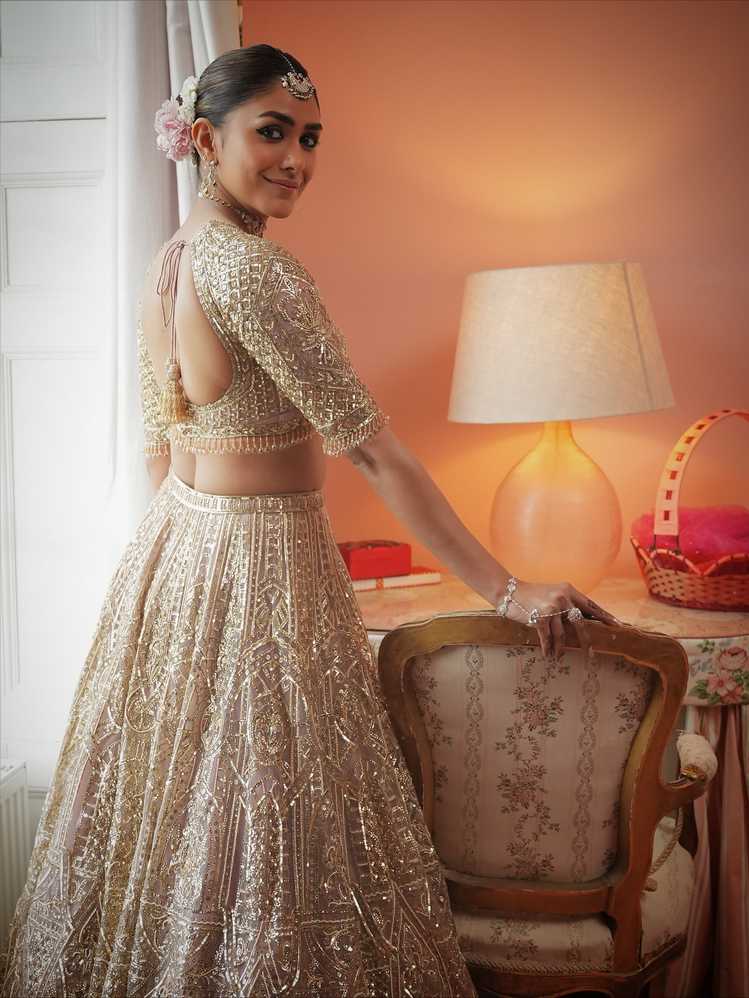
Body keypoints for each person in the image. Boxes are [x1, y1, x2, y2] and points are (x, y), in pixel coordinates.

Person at [0, 44, 619, 997]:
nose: (297, 159)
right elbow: (370, 450)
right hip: (261, 562)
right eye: (273, 132)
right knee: (270, 829)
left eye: (311, 137)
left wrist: (179, 567)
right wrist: (506, 588)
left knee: (182, 822)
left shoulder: (171, 263)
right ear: (205, 139)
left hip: (180, 551)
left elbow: (163, 441)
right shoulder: (254, 271)